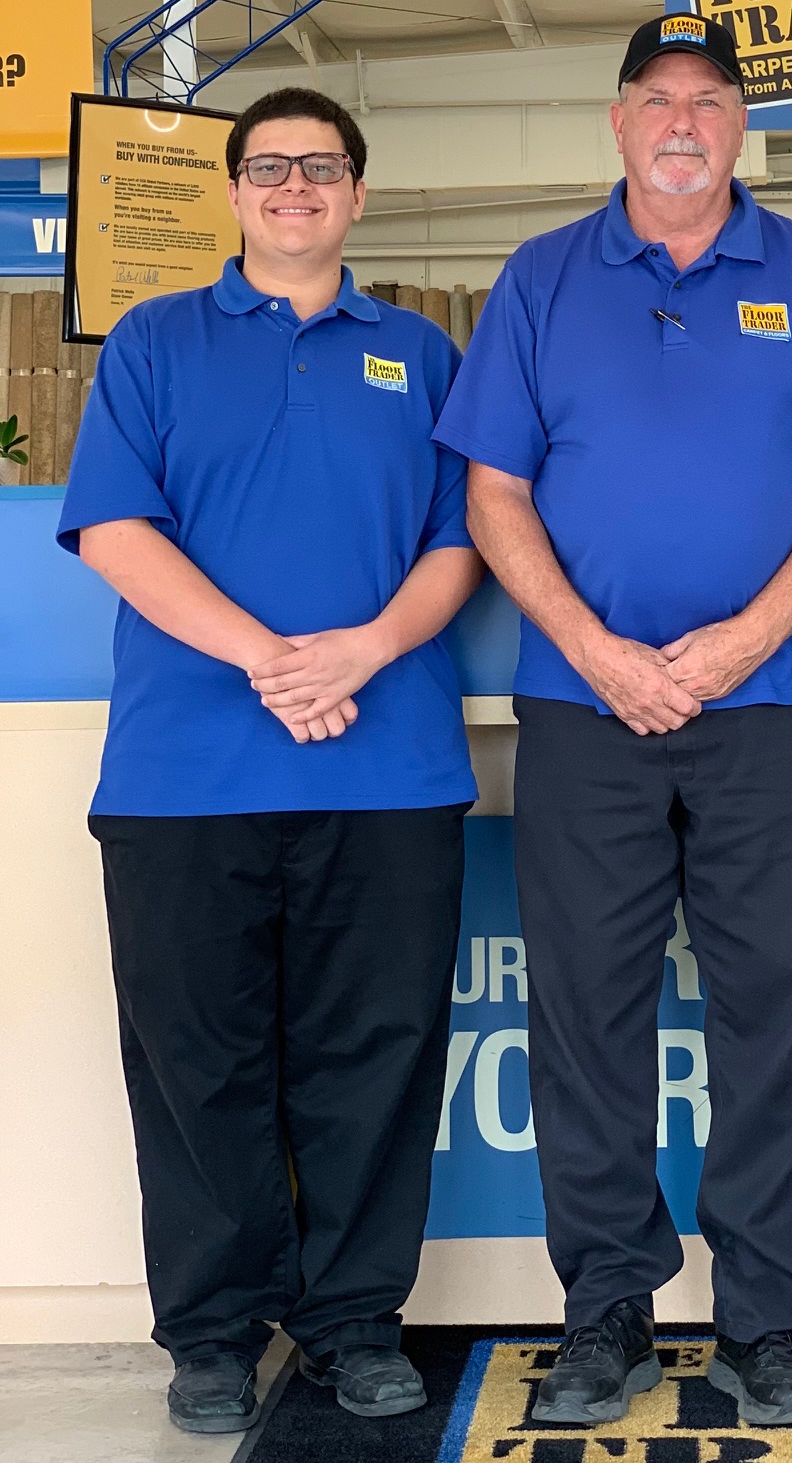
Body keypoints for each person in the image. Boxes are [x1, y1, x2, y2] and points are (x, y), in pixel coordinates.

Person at [435, 13, 792, 1429]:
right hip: (581, 707)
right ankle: (606, 1308)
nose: (682, 121)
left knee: (771, 1012)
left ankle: (764, 1323)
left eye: (708, 99)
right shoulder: (542, 278)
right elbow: (494, 493)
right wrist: (598, 650)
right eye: (656, 98)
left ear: (742, 126)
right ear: (618, 122)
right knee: (585, 1014)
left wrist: (748, 639)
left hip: (766, 711)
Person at [59, 89, 482, 1436]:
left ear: (358, 195)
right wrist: (273, 661)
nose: (295, 186)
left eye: (322, 168)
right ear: (235, 194)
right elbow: (117, 532)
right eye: (269, 168)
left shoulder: (420, 354)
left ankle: (356, 1321)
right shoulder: (153, 343)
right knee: (200, 1063)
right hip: (187, 780)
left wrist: (359, 654)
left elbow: (467, 542)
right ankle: (213, 1330)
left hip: (388, 772)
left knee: (376, 1056)